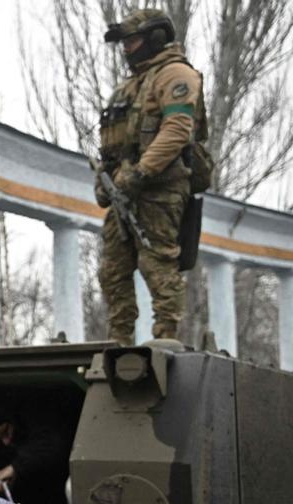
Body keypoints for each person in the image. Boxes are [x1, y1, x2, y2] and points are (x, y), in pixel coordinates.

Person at [96, 8, 210, 345]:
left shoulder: (175, 75)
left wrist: (142, 171)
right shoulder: (130, 86)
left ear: (156, 38)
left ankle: (165, 339)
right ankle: (119, 341)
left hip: (159, 189)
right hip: (123, 190)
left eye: (131, 41)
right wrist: (107, 178)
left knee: (158, 264)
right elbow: (114, 142)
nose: (126, 49)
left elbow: (177, 130)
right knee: (112, 271)